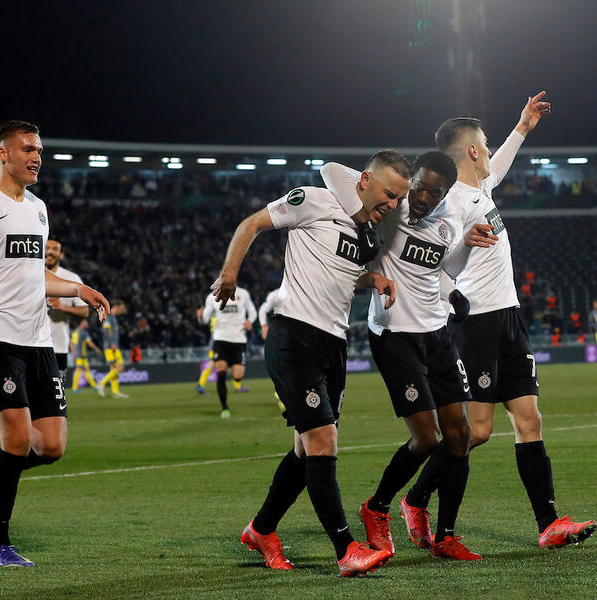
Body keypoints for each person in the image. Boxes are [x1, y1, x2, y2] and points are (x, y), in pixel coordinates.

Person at [376, 94, 593, 549]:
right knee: (476, 431)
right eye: (487, 144)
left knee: (530, 420)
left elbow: (498, 168)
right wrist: (449, 297)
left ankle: (549, 523)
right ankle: (415, 499)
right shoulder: (451, 203)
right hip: (478, 321)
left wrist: (522, 128)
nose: (492, 151)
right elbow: (435, 265)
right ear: (473, 150)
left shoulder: (479, 189)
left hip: (509, 314)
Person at [212, 149, 410, 576]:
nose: (393, 204)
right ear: (364, 180)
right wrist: (230, 273)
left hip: (334, 344)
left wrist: (372, 278)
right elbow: (251, 224)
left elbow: (342, 272)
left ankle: (261, 530)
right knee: (322, 440)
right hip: (294, 335)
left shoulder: (366, 233)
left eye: (399, 199)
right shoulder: (313, 200)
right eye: (389, 194)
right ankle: (346, 550)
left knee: (305, 451)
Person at [321, 151, 497, 560]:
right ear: (410, 182)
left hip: (437, 334)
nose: (421, 198)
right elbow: (329, 170)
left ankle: (446, 537)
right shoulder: (393, 207)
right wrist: (375, 193)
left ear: (445, 194)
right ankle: (377, 507)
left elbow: (440, 269)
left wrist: (455, 281)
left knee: (459, 435)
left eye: (433, 193)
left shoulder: (450, 221)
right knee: (426, 438)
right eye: (418, 188)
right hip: (395, 334)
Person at [0, 120, 109, 567]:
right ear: (3, 153)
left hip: (40, 342)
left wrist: (78, 289)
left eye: (39, 150)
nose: (36, 157)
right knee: (16, 439)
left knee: (51, 446)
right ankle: (0, 543)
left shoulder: (38, 209)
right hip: (2, 339)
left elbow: (34, 274)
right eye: (27, 149)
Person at [200, 287, 257, 417]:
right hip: (220, 339)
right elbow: (205, 319)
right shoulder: (212, 297)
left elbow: (252, 311)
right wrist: (200, 317)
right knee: (221, 373)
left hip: (239, 340)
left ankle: (232, 366)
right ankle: (224, 408)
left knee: (237, 376)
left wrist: (250, 321)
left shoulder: (243, 293)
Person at [45, 235, 89, 384]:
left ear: (61, 254)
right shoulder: (28, 274)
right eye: (47, 247)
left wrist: (63, 307)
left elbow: (84, 311)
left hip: (57, 348)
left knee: (56, 396)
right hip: (28, 345)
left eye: (55, 249)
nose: (50, 252)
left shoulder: (70, 278)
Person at [196, 314, 250, 395]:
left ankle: (238, 387)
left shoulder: (217, 316)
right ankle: (200, 385)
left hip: (221, 343)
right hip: (218, 345)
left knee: (232, 364)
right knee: (211, 365)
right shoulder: (220, 316)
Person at [258, 288, 285, 410]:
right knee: (283, 364)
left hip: (301, 333)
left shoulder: (305, 290)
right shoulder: (276, 294)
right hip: (282, 332)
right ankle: (281, 393)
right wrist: (264, 325)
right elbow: (263, 310)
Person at [97, 300, 128, 399]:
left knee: (116, 369)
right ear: (117, 306)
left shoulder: (113, 317)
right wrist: (111, 344)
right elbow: (106, 331)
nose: (123, 310)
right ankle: (101, 384)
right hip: (110, 347)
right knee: (118, 368)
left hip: (114, 347)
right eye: (122, 308)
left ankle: (115, 392)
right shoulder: (108, 316)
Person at [70, 319, 102, 392]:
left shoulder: (75, 332)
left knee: (86, 370)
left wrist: (74, 354)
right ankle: (74, 388)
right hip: (82, 355)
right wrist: (96, 349)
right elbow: (89, 343)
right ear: (82, 322)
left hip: (78, 355)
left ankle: (94, 386)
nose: (87, 323)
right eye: (86, 321)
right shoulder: (84, 332)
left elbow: (71, 344)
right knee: (79, 370)